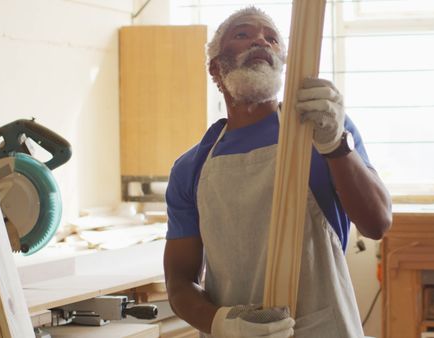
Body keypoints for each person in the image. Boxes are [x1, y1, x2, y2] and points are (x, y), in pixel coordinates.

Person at [163, 6, 392, 338]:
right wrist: (220, 322)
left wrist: (336, 145)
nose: (261, 40)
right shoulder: (191, 167)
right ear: (216, 68)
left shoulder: (323, 129)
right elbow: (179, 282)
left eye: (272, 38)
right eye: (243, 34)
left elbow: (377, 224)